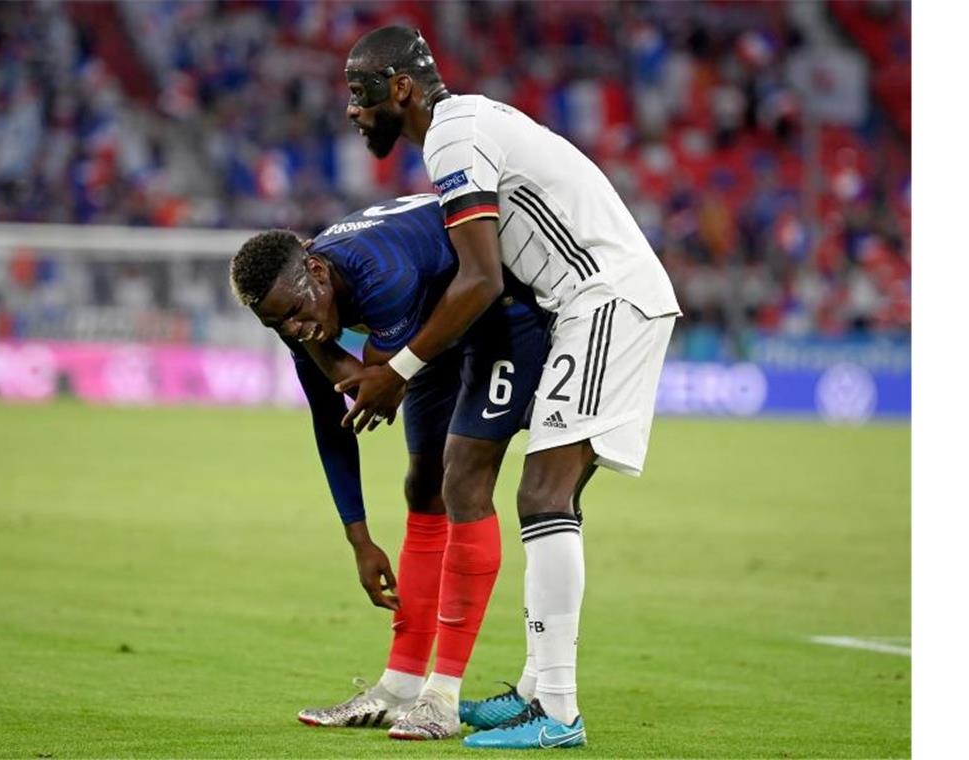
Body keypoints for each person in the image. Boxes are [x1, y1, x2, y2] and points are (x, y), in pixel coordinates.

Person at [338, 27, 681, 749]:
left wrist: (395, 371)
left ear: (401, 87)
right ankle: (533, 689)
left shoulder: (453, 139)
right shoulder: (472, 121)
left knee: (541, 496)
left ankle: (557, 711)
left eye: (361, 91)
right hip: (591, 303)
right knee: (548, 497)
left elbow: (481, 278)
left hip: (604, 299)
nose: (354, 110)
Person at [229, 194, 549, 739]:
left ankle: (441, 697)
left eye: (296, 312)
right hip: (437, 323)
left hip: (504, 312)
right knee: (422, 487)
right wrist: (359, 537)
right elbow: (332, 423)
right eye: (275, 324)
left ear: (316, 269)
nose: (293, 328)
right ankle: (400, 687)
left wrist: (334, 359)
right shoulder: (297, 307)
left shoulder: (381, 273)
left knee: (463, 479)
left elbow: (377, 381)